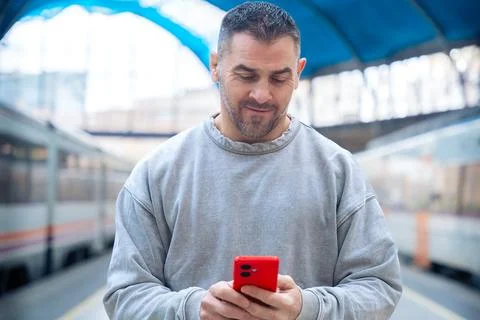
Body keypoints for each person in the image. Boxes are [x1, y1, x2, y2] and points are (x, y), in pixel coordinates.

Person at [103, 2, 402, 319]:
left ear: (299, 72)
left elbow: (379, 286)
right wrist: (192, 310)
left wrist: (307, 309)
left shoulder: (339, 172)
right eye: (246, 75)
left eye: (278, 78)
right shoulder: (156, 174)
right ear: (216, 65)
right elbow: (125, 295)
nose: (262, 94)